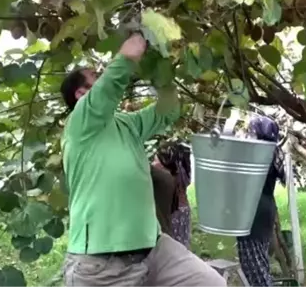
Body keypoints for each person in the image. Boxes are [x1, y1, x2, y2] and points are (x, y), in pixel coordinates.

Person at [59, 33, 225, 287]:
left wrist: (161, 72)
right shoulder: (79, 125)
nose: (104, 75)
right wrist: (126, 57)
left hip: (152, 247)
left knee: (210, 283)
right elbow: (108, 89)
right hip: (101, 263)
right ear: (82, 94)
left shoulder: (126, 123)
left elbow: (167, 110)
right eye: (96, 77)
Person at [237, 116, 286, 287]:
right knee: (260, 262)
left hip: (253, 213)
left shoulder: (256, 155)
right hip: (265, 209)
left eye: (251, 131)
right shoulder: (272, 152)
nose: (248, 134)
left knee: (255, 271)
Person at [152, 141, 193, 248]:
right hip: (182, 216)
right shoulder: (182, 178)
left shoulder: (166, 181)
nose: (153, 164)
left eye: (156, 160)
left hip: (172, 223)